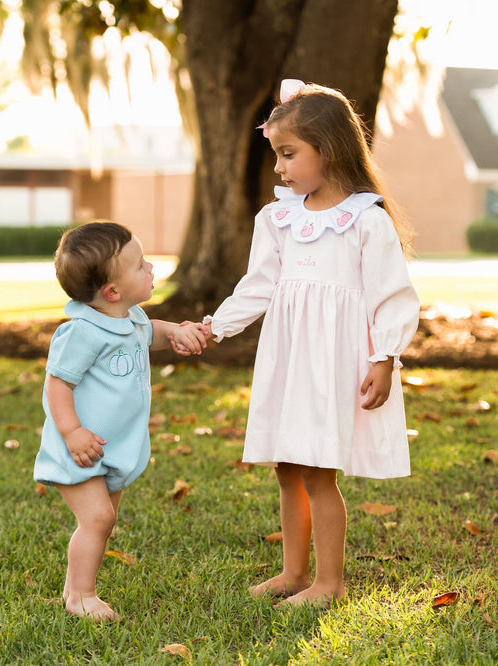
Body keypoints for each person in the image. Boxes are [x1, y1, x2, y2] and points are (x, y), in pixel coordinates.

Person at [201, 79, 420, 607]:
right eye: (276, 155)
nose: (278, 168)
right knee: (288, 464)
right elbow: (258, 286)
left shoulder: (365, 220)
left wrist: (384, 358)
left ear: (330, 148)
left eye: (287, 154)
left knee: (320, 470)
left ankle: (329, 583)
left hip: (335, 362)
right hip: (290, 358)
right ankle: (293, 572)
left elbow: (391, 294)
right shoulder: (277, 218)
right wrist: (216, 326)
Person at [34, 221, 207, 621]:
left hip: (110, 445)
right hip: (79, 445)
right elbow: (57, 384)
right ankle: (81, 595)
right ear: (112, 291)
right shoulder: (81, 333)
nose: (150, 269)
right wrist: (71, 432)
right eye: (141, 265)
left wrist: (177, 334)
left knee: (103, 522)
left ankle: (73, 586)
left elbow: (153, 333)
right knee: (97, 517)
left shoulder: (131, 318)